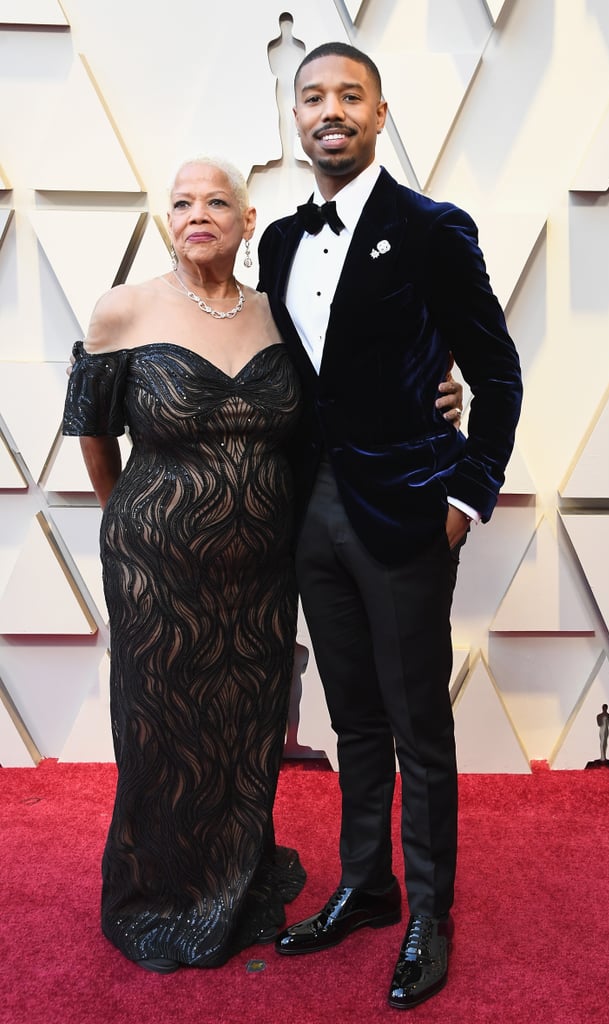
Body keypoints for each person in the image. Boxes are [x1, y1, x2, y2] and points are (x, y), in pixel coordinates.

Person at [257, 42, 523, 1009]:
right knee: (354, 718)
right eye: (312, 97)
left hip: (408, 511)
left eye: (349, 96)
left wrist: (465, 496)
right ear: (296, 119)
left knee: (420, 726)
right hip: (313, 513)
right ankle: (364, 890)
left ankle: (430, 914)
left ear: (378, 113)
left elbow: (496, 376)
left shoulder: (433, 229)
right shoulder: (280, 242)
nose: (330, 111)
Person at [61, 157, 309, 973]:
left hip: (263, 577)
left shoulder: (281, 315)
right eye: (181, 202)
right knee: (163, 734)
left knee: (245, 733)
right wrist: (122, 525)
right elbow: (94, 435)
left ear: (245, 219)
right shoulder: (122, 310)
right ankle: (163, 892)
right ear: (167, 219)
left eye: (216, 201)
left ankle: (234, 876)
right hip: (156, 573)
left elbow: (341, 403)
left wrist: (439, 391)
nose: (196, 213)